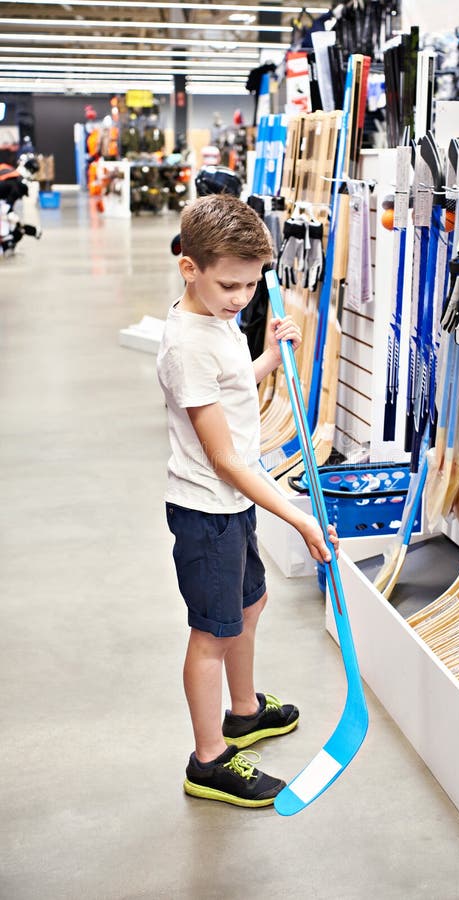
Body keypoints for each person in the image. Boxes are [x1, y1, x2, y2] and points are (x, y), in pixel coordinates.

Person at [157, 194, 339, 808]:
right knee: (212, 633)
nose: (241, 297)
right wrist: (298, 514)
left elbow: (231, 380)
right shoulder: (185, 346)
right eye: (229, 284)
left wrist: (266, 356)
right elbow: (227, 462)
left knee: (251, 604)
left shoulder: (218, 318)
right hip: (208, 509)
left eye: (251, 284)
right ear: (190, 268)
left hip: (232, 505)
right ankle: (208, 760)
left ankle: (245, 712)